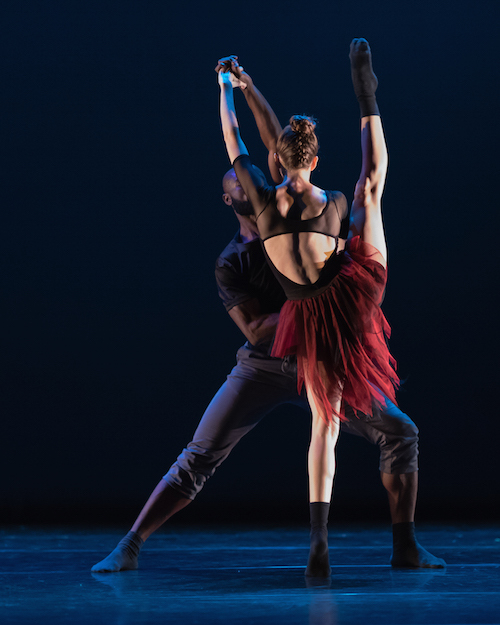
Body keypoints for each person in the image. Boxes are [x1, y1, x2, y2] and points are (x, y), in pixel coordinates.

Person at [90, 44, 445, 575]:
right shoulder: (231, 261)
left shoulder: (273, 198)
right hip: (272, 362)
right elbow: (256, 329)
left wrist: (242, 86)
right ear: (231, 201)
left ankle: (405, 546)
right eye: (234, 180)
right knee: (200, 453)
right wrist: (322, 307)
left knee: (400, 432)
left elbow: (264, 138)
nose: (242, 176)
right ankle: (131, 544)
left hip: (324, 351)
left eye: (253, 168)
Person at [218, 38, 442, 577]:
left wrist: (226, 93)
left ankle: (319, 543)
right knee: (371, 189)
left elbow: (235, 140)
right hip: (351, 303)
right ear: (314, 160)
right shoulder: (332, 203)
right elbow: (354, 187)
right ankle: (368, 98)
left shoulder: (262, 200)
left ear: (276, 163)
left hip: (306, 314)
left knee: (325, 426)